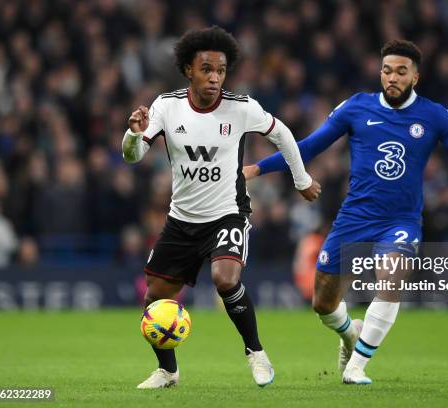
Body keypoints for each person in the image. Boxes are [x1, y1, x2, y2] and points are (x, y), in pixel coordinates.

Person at [244, 40, 448, 384]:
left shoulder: (435, 116)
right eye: (387, 70)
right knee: (323, 304)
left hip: (401, 221)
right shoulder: (357, 108)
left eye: (401, 72)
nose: (392, 77)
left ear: (415, 77)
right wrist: (257, 167)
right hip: (354, 218)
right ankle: (349, 335)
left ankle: (357, 366)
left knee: (391, 279)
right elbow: (309, 146)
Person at [122, 26, 321, 389]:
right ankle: (168, 371)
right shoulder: (166, 106)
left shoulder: (241, 108)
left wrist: (301, 179)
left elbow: (283, 134)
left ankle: (256, 353)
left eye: (221, 70)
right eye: (206, 69)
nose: (214, 77)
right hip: (181, 220)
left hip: (227, 214)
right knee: (153, 297)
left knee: (225, 279)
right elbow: (133, 156)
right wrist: (133, 134)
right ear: (188, 70)